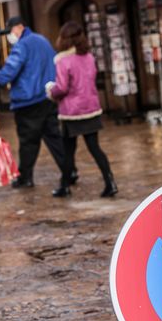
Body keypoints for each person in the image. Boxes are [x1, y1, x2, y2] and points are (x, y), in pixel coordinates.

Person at [0, 16, 76, 191]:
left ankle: (25, 177)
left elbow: (8, 73)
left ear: (18, 28)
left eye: (9, 32)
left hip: (28, 102)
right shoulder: (42, 40)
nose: (9, 36)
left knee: (28, 142)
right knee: (54, 138)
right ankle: (70, 170)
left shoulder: (22, 46)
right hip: (47, 98)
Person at [46, 22, 117, 198]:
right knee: (95, 148)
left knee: (68, 150)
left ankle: (65, 185)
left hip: (72, 112)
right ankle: (110, 182)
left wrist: (50, 90)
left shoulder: (63, 60)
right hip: (91, 108)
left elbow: (61, 88)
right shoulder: (89, 57)